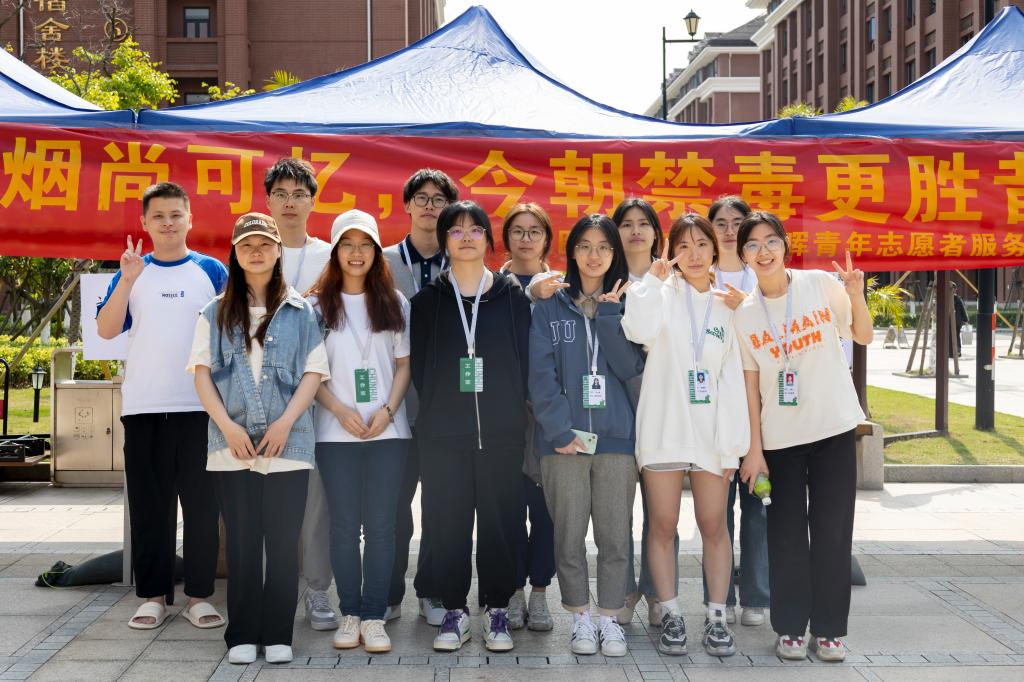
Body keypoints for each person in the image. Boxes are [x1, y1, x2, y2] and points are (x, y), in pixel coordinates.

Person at [189, 212, 330, 665]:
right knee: (243, 542)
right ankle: (242, 635)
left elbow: (313, 373)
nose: (256, 252)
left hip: (288, 443)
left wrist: (286, 422)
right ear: (235, 253)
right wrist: (227, 427)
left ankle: (278, 633)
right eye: (247, 245)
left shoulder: (300, 311)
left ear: (277, 252)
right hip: (231, 445)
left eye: (264, 244)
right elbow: (202, 375)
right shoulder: (213, 312)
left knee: (284, 542)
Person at [733, 211, 872, 663]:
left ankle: (829, 630)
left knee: (833, 532)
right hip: (781, 440)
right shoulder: (745, 314)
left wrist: (856, 294)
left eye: (771, 241)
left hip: (833, 429)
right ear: (743, 255)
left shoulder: (818, 284)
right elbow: (751, 387)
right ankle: (791, 628)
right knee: (786, 536)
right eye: (753, 245)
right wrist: (754, 451)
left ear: (785, 245)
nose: (764, 252)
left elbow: (862, 335)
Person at [96, 182, 226, 632]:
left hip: (201, 408)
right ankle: (152, 596)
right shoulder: (133, 271)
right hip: (145, 407)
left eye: (175, 215)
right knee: (150, 507)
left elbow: (232, 332)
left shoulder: (211, 271)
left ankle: (199, 597)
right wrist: (127, 280)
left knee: (203, 508)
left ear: (190, 218)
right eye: (158, 216)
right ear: (145, 223)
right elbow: (107, 329)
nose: (168, 223)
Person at [622, 214, 749, 658]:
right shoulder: (660, 292)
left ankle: (716, 616)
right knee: (663, 524)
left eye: (701, 244)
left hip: (711, 435)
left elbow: (734, 380)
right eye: (683, 246)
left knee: (714, 525)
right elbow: (637, 331)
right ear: (671, 251)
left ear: (715, 248)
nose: (693, 254)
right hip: (664, 428)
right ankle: (671, 613)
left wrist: (733, 446)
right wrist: (652, 281)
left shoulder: (728, 303)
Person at [410, 200, 531, 652]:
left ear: (487, 239)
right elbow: (420, 371)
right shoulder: (427, 303)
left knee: (501, 523)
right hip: (443, 438)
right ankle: (455, 611)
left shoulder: (512, 299)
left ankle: (497, 609)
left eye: (475, 229)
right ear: (444, 240)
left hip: (501, 435)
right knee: (447, 525)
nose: (466, 237)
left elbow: (523, 362)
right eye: (456, 230)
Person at [528, 214, 645, 658]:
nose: (594, 256)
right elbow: (540, 375)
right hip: (563, 443)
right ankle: (579, 616)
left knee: (616, 536)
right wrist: (559, 430)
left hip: (617, 440)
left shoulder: (630, 304)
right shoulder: (549, 306)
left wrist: (611, 316)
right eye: (585, 246)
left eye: (603, 247)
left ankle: (610, 618)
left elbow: (630, 368)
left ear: (615, 253)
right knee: (569, 535)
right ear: (572, 252)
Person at [310, 210, 412, 654]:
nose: (357, 253)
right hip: (336, 434)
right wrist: (338, 410)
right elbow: (311, 373)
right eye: (348, 245)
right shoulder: (317, 307)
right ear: (335, 252)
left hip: (389, 433)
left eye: (365, 244)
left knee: (383, 525)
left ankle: (374, 616)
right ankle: (349, 611)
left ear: (376, 251)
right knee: (344, 526)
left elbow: (404, 365)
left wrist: (389, 410)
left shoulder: (395, 301)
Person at [381, 169, 460, 626]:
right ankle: (389, 590)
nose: (430, 206)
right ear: (407, 205)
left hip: (447, 408)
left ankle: (432, 590)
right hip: (395, 406)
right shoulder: (383, 261)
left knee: (443, 506)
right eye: (422, 198)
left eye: (439, 200)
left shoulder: (461, 259)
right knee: (393, 505)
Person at [263, 157, 337, 632]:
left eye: (299, 195)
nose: (289, 203)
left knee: (315, 500)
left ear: (313, 201)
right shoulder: (253, 250)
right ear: (268, 201)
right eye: (281, 194)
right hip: (263, 395)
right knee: (266, 498)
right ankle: (271, 588)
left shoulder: (331, 256)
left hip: (319, 392)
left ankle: (317, 589)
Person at [702, 195, 770, 628]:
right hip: (712, 410)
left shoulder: (761, 276)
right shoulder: (698, 273)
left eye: (737, 222)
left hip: (759, 410)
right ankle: (720, 595)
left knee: (758, 504)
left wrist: (748, 306)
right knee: (716, 510)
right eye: (721, 223)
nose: (729, 230)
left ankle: (757, 595)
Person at [497, 203, 556, 631]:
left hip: (549, 419)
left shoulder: (560, 287)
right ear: (506, 239)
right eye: (518, 230)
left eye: (535, 231)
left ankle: (539, 592)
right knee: (507, 509)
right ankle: (513, 590)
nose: (526, 238)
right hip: (503, 418)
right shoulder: (490, 287)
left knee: (548, 511)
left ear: (547, 239)